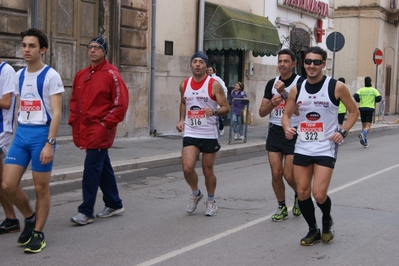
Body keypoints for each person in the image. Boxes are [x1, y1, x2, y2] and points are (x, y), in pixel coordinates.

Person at [282, 46, 359, 246]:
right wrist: (287, 128)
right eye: (308, 62)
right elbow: (286, 114)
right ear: (303, 64)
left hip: (326, 146)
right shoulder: (296, 89)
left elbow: (353, 112)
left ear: (324, 64)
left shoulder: (336, 87)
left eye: (317, 62)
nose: (312, 66)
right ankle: (312, 230)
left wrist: (342, 131)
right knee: (302, 192)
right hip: (303, 146)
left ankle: (326, 218)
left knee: (319, 194)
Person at [2, 28, 64, 253]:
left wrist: (51, 142)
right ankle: (29, 217)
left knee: (41, 187)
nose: (26, 50)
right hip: (21, 135)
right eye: (24, 46)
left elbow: (57, 113)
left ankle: (38, 233)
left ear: (42, 50)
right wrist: (15, 135)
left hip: (41, 135)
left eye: (32, 46)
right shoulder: (19, 75)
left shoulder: (51, 76)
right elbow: (19, 106)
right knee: (7, 184)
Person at [69, 37, 129, 226]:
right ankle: (114, 203)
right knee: (102, 167)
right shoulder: (81, 75)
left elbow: (121, 103)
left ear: (104, 52)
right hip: (85, 128)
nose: (93, 50)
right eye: (90, 47)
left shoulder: (111, 74)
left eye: (97, 48)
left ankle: (86, 211)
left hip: (100, 128)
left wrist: (105, 124)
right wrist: (73, 122)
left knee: (91, 169)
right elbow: (74, 101)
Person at [176, 51, 230, 217]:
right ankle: (196, 193)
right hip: (191, 131)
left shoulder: (214, 85)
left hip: (209, 132)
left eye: (201, 62)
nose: (197, 64)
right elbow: (184, 102)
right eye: (195, 62)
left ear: (206, 66)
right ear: (191, 65)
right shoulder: (184, 84)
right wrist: (181, 119)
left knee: (207, 170)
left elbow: (226, 107)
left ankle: (211, 200)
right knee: (187, 167)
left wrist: (213, 111)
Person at [258, 49, 305, 222]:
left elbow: (301, 110)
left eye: (286, 61)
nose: (282, 64)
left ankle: (299, 195)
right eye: (280, 61)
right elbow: (262, 112)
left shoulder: (301, 83)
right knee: (276, 173)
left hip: (294, 131)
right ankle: (281, 206)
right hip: (275, 131)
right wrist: (272, 103)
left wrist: (285, 94)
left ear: (293, 64)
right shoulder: (272, 83)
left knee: (288, 174)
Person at [0, 60, 19, 234]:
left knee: (4, 182)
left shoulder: (6, 71)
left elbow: (6, 102)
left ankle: (13, 218)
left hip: (2, 129)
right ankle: (11, 218)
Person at [353, 76, 382, 147]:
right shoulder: (373, 90)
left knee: (363, 125)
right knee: (368, 126)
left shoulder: (361, 90)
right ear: (370, 82)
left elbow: (355, 95)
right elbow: (379, 98)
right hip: (370, 108)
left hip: (362, 108)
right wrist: (374, 100)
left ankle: (365, 141)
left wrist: (359, 100)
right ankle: (363, 134)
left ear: (364, 82)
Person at [206, 66, 228, 136]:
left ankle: (221, 128)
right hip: (208, 101)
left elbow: (224, 89)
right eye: (208, 70)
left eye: (210, 70)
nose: (209, 71)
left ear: (214, 71)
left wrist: (222, 99)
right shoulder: (205, 79)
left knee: (218, 116)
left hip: (216, 101)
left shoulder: (217, 79)